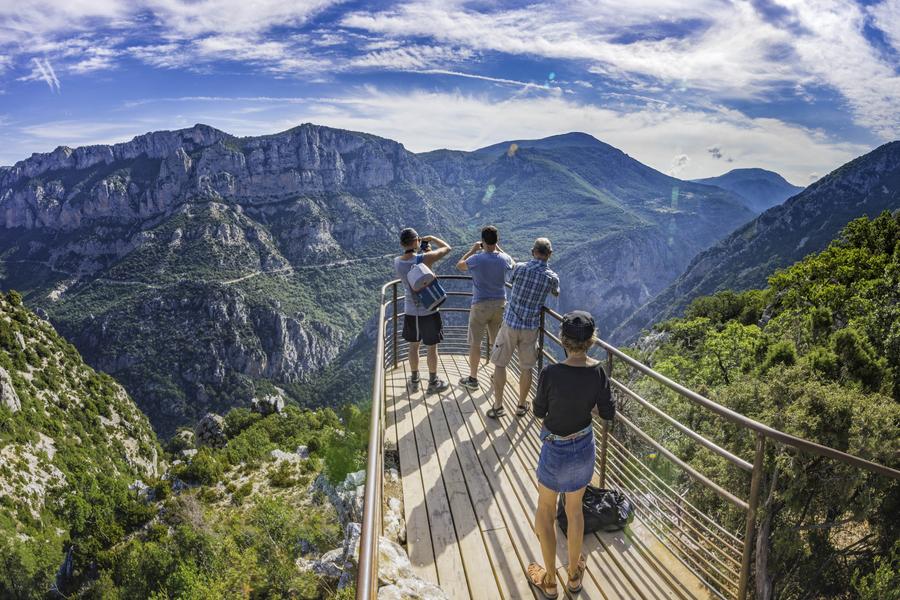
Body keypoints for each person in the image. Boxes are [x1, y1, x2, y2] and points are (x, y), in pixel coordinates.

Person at [526, 311, 614, 598]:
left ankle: (549, 581)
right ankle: (574, 576)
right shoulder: (598, 371)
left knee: (546, 511)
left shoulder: (550, 373)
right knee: (574, 512)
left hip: (555, 448)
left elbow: (539, 411)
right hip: (583, 447)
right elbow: (607, 411)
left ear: (563, 340)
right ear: (592, 340)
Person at [489, 237, 559, 418]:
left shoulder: (520, 268)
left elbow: (510, 275)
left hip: (510, 324)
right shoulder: (552, 277)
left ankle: (498, 406)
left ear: (532, 251)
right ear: (549, 255)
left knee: (500, 364)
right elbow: (556, 292)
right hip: (530, 328)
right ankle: (521, 406)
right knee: (526, 368)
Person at [393, 227, 452, 394]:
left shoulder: (397, 262)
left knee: (413, 346)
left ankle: (414, 381)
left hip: (411, 311)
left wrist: (421, 250)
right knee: (432, 348)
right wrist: (432, 239)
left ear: (401, 244)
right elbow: (448, 248)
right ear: (416, 241)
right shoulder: (424, 259)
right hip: (429, 310)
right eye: (418, 239)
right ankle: (433, 381)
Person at [455, 225, 514, 390]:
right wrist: (499, 249)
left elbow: (459, 265)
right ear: (497, 241)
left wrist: (472, 250)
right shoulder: (504, 259)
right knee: (497, 343)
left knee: (475, 344)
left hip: (480, 305)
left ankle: (473, 379)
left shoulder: (476, 259)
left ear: (482, 241)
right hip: (500, 304)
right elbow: (513, 263)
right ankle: (497, 374)